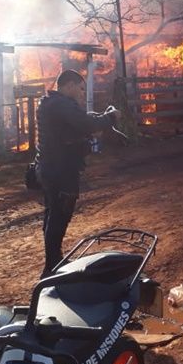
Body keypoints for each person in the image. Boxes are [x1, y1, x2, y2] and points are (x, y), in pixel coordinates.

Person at [36, 70, 121, 278]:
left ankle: (54, 259)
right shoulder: (61, 104)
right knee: (59, 215)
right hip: (61, 169)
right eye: (81, 88)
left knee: (53, 214)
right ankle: (52, 266)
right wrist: (110, 118)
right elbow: (86, 124)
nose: (83, 93)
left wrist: (95, 120)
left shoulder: (51, 103)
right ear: (70, 86)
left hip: (51, 167)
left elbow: (76, 123)